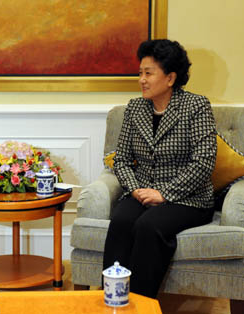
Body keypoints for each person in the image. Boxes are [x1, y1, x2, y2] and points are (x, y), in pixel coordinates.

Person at [102, 39, 217, 298]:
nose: (141, 79)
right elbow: (121, 160)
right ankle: (111, 298)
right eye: (140, 72)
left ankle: (142, 302)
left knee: (148, 226)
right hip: (141, 191)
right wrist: (135, 190)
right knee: (120, 221)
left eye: (148, 73)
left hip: (188, 198)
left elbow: (203, 163)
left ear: (170, 78)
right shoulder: (134, 108)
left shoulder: (196, 107)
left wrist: (164, 194)